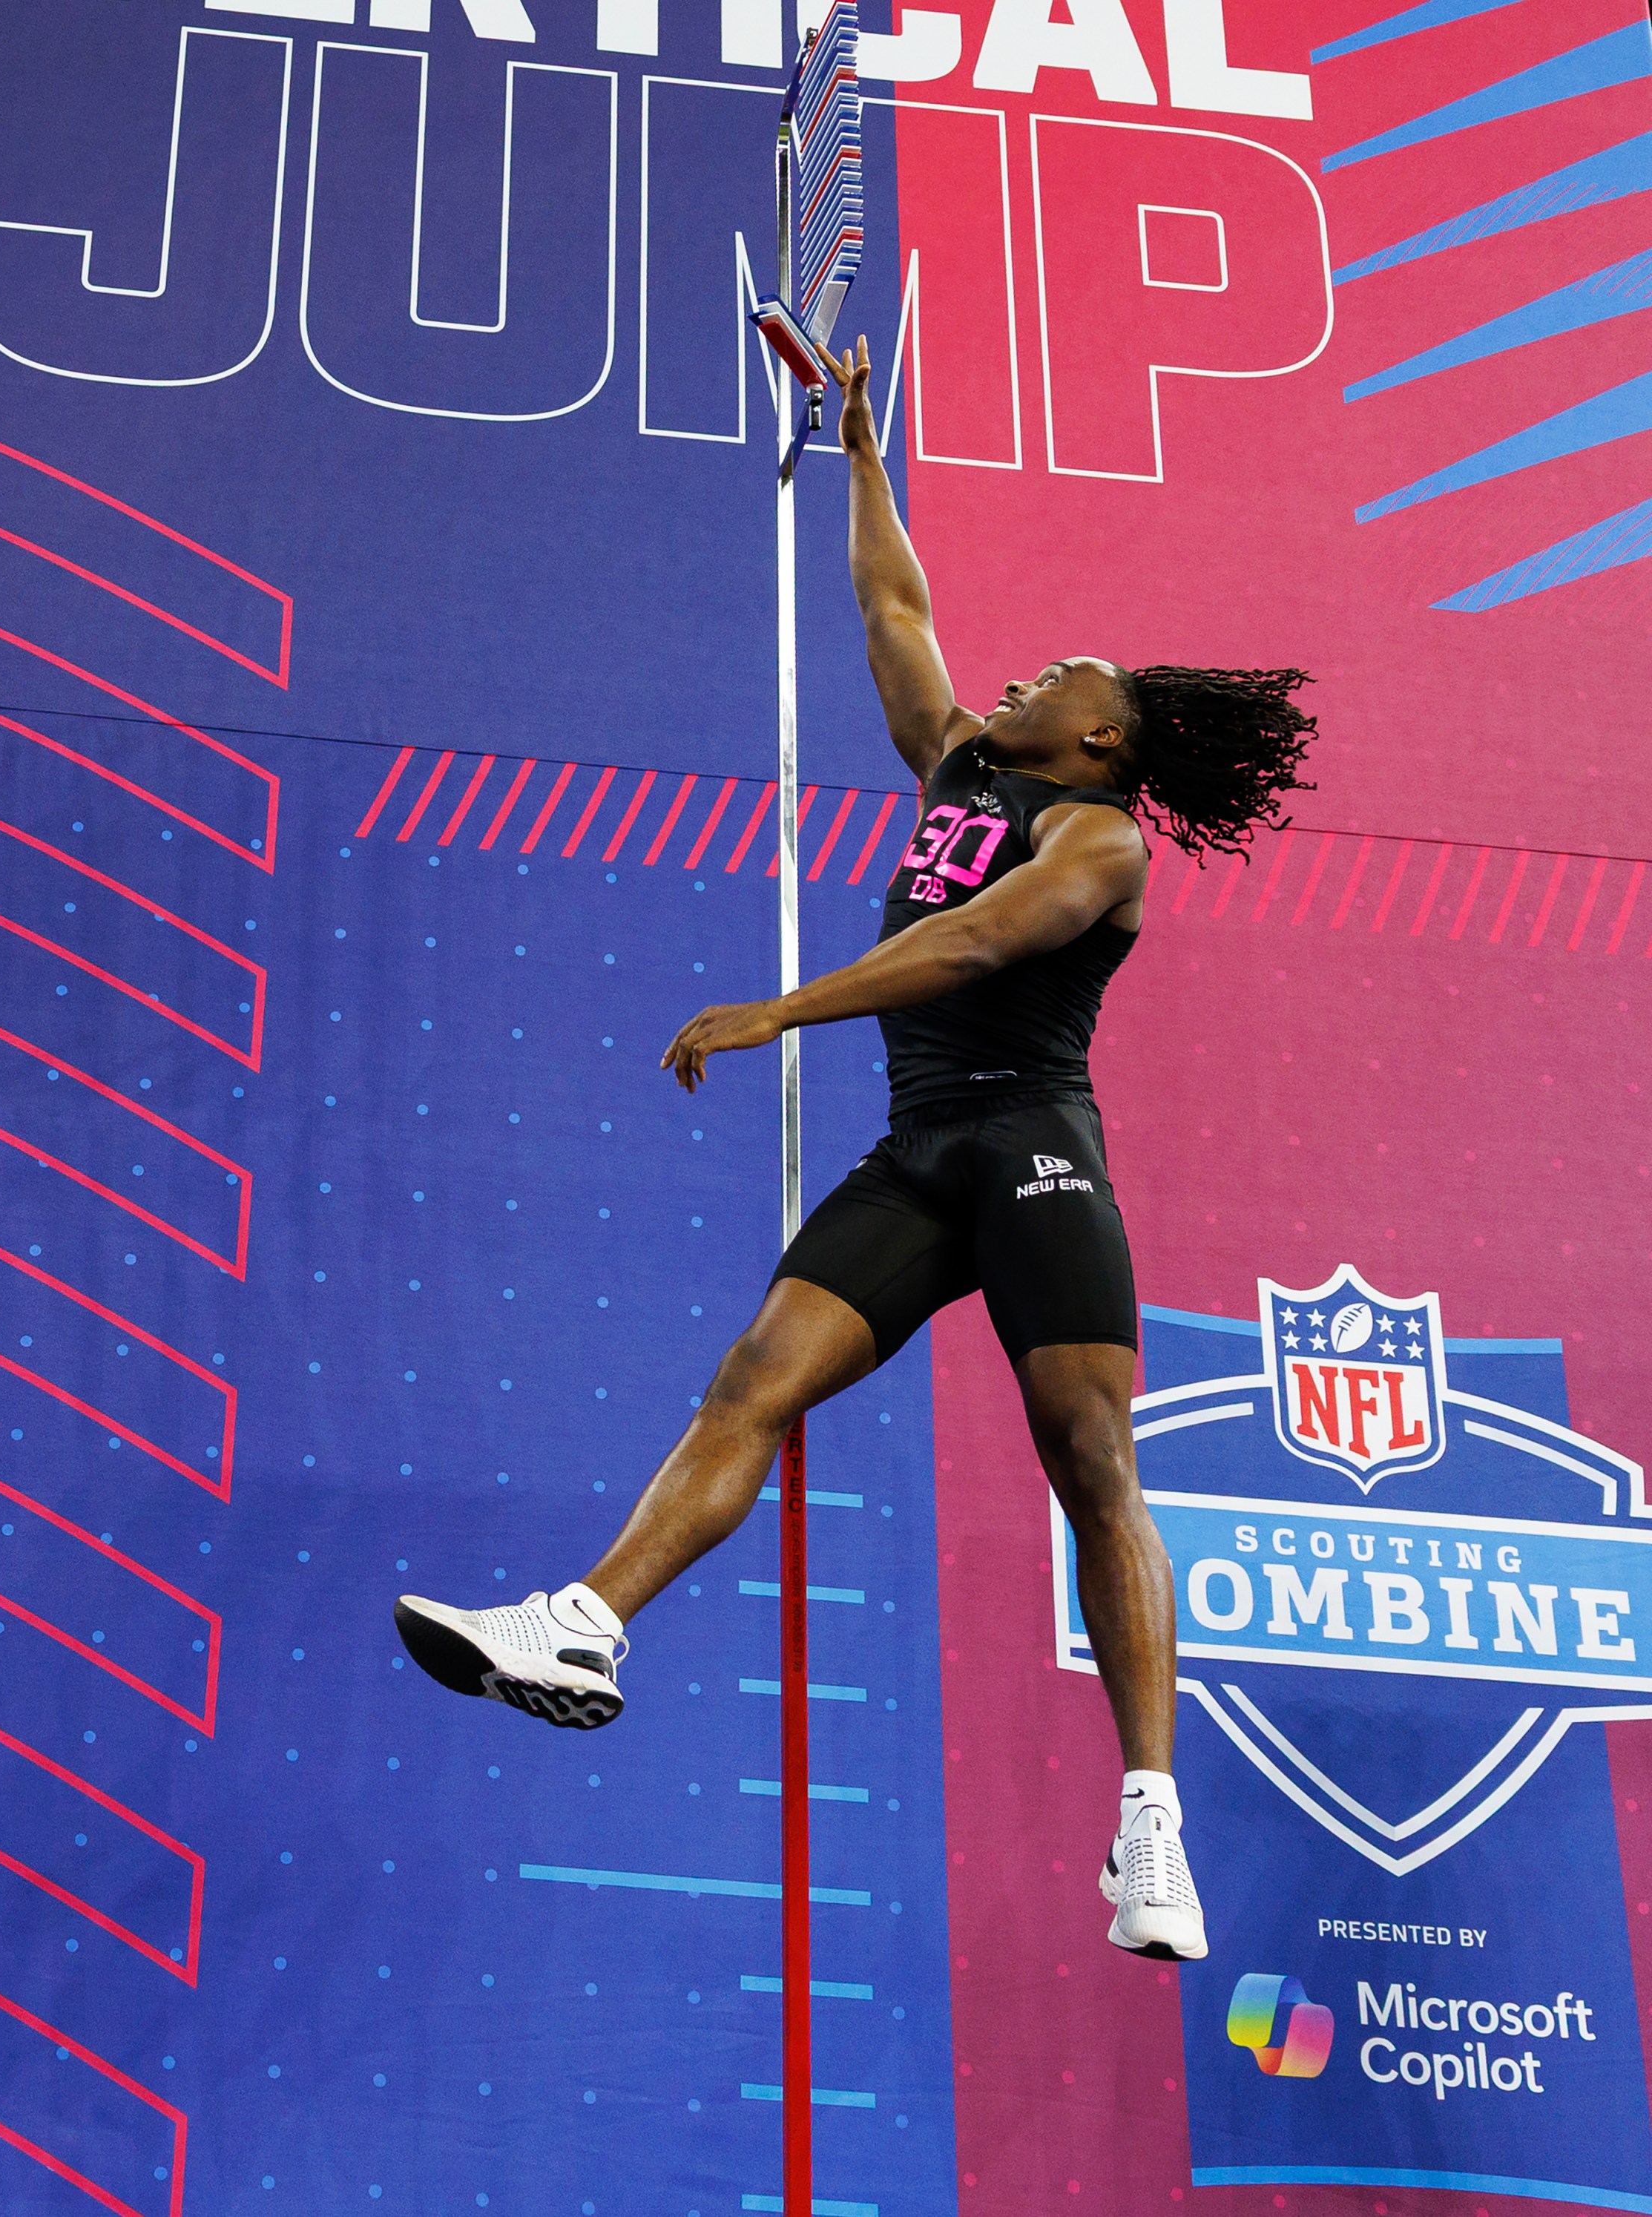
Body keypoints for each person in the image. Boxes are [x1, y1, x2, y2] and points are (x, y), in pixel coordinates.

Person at [395, 335, 1315, 1963]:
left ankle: (1154, 1828)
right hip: (919, 1152)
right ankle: (583, 1626)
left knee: (1090, 1463)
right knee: (753, 1377)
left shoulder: (1096, 841)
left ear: (1107, 744)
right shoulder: (963, 760)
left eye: (1069, 682)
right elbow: (897, 614)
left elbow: (967, 951)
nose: (1031, 677)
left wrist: (782, 1008)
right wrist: (862, 451)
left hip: (1033, 1157)